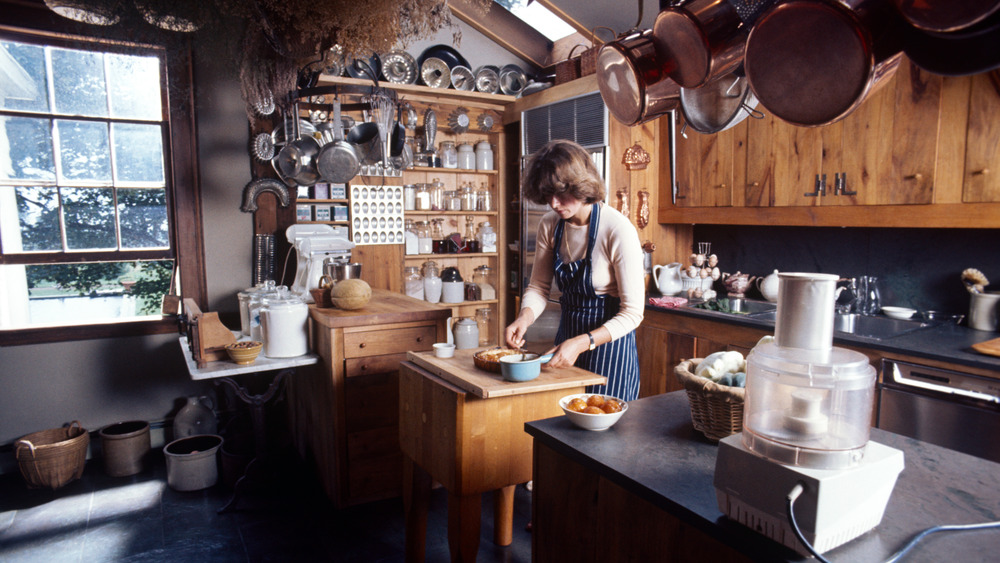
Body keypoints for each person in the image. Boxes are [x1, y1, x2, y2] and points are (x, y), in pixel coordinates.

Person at [505, 139, 645, 401]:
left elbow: (633, 313)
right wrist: (524, 318)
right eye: (547, 195)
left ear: (581, 185)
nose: (554, 203)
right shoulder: (551, 225)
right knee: (559, 425)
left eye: (561, 193)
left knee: (602, 431)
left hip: (609, 348)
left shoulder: (617, 229)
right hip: (565, 340)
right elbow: (538, 287)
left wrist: (582, 343)